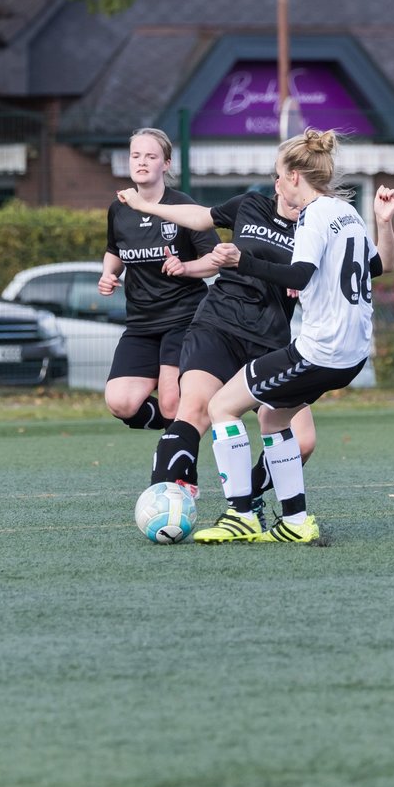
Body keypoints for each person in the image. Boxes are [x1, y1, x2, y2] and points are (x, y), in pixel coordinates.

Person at [191, 128, 394, 544]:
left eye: (278, 174)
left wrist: (240, 260)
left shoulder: (313, 215)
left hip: (321, 350)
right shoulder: (346, 213)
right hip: (352, 352)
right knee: (273, 417)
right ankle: (295, 520)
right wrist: (381, 223)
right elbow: (376, 267)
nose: (276, 183)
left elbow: (299, 274)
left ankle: (242, 514)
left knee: (221, 407)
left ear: (293, 177)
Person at [115, 177, 317, 528]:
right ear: (280, 182)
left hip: (269, 340)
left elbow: (336, 274)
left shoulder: (317, 226)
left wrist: (308, 284)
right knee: (192, 409)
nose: (300, 194)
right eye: (293, 181)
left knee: (302, 442)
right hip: (218, 324)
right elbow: (201, 217)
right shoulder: (251, 206)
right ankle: (166, 504)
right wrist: (148, 209)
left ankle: (250, 494)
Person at [100, 128, 219, 433]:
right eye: (136, 155)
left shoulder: (184, 207)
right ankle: (185, 423)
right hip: (141, 322)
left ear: (165, 164)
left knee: (170, 400)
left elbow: (216, 261)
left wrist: (186, 267)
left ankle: (177, 467)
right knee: (121, 402)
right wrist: (108, 273)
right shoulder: (119, 208)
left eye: (150, 156)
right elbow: (115, 251)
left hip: (183, 317)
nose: (141, 162)